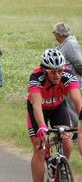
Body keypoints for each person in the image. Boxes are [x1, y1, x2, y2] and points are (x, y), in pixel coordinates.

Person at [26, 49, 82, 182]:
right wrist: (42, 127)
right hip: (38, 110)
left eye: (59, 71)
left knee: (67, 142)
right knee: (39, 146)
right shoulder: (36, 78)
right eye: (52, 71)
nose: (57, 75)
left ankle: (58, 175)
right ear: (44, 70)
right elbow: (36, 105)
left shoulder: (68, 76)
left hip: (58, 107)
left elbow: (77, 101)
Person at [53, 22, 82, 133]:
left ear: (60, 34)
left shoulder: (70, 44)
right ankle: (75, 130)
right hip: (65, 82)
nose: (53, 34)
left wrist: (78, 76)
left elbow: (79, 62)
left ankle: (77, 132)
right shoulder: (64, 43)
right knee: (68, 107)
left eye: (54, 32)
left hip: (71, 82)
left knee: (73, 108)